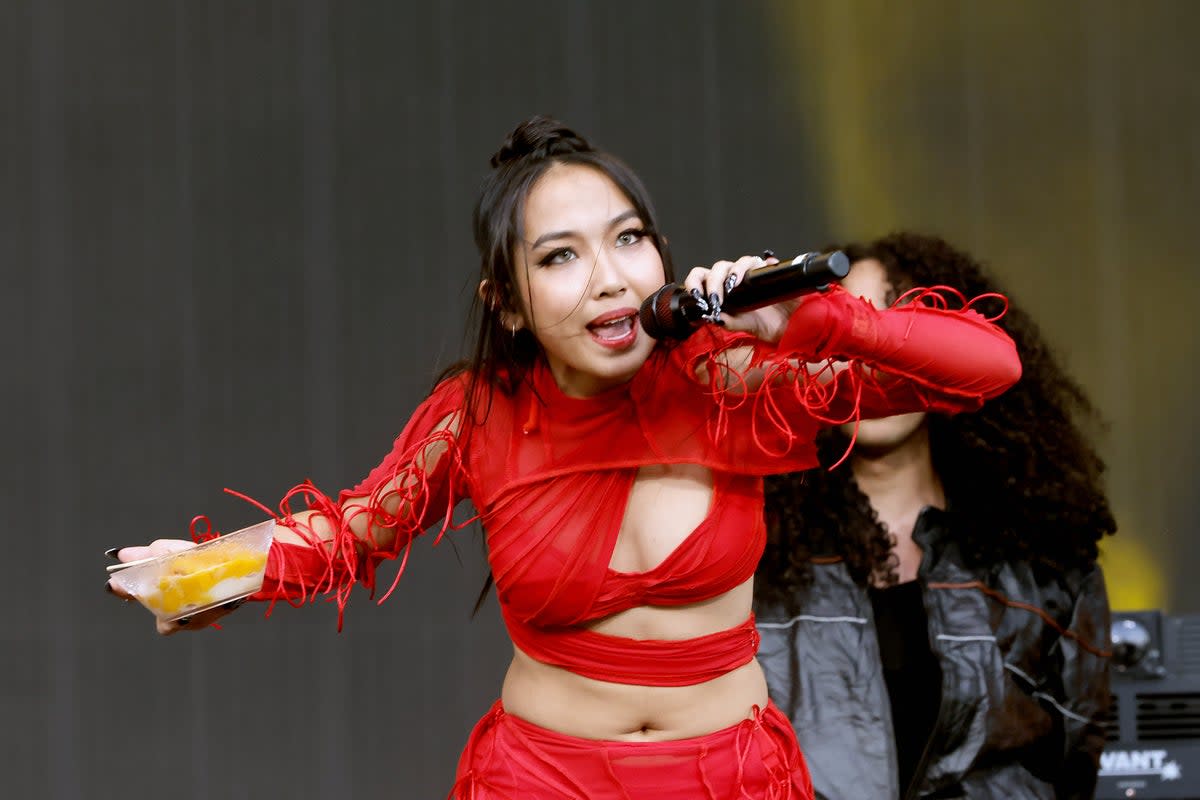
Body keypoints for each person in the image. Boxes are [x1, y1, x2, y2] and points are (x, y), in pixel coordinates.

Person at [106, 120, 1022, 799]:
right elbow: (354, 531)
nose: (612, 278)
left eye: (629, 240)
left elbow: (990, 368)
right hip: (541, 779)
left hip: (731, 779)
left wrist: (814, 322)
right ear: (506, 301)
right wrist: (197, 575)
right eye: (560, 256)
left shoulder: (731, 379)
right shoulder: (480, 417)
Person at [755, 232, 1116, 800]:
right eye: (844, 328)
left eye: (894, 333)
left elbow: (1075, 758)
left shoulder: (1042, 555)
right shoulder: (756, 552)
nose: (869, 358)